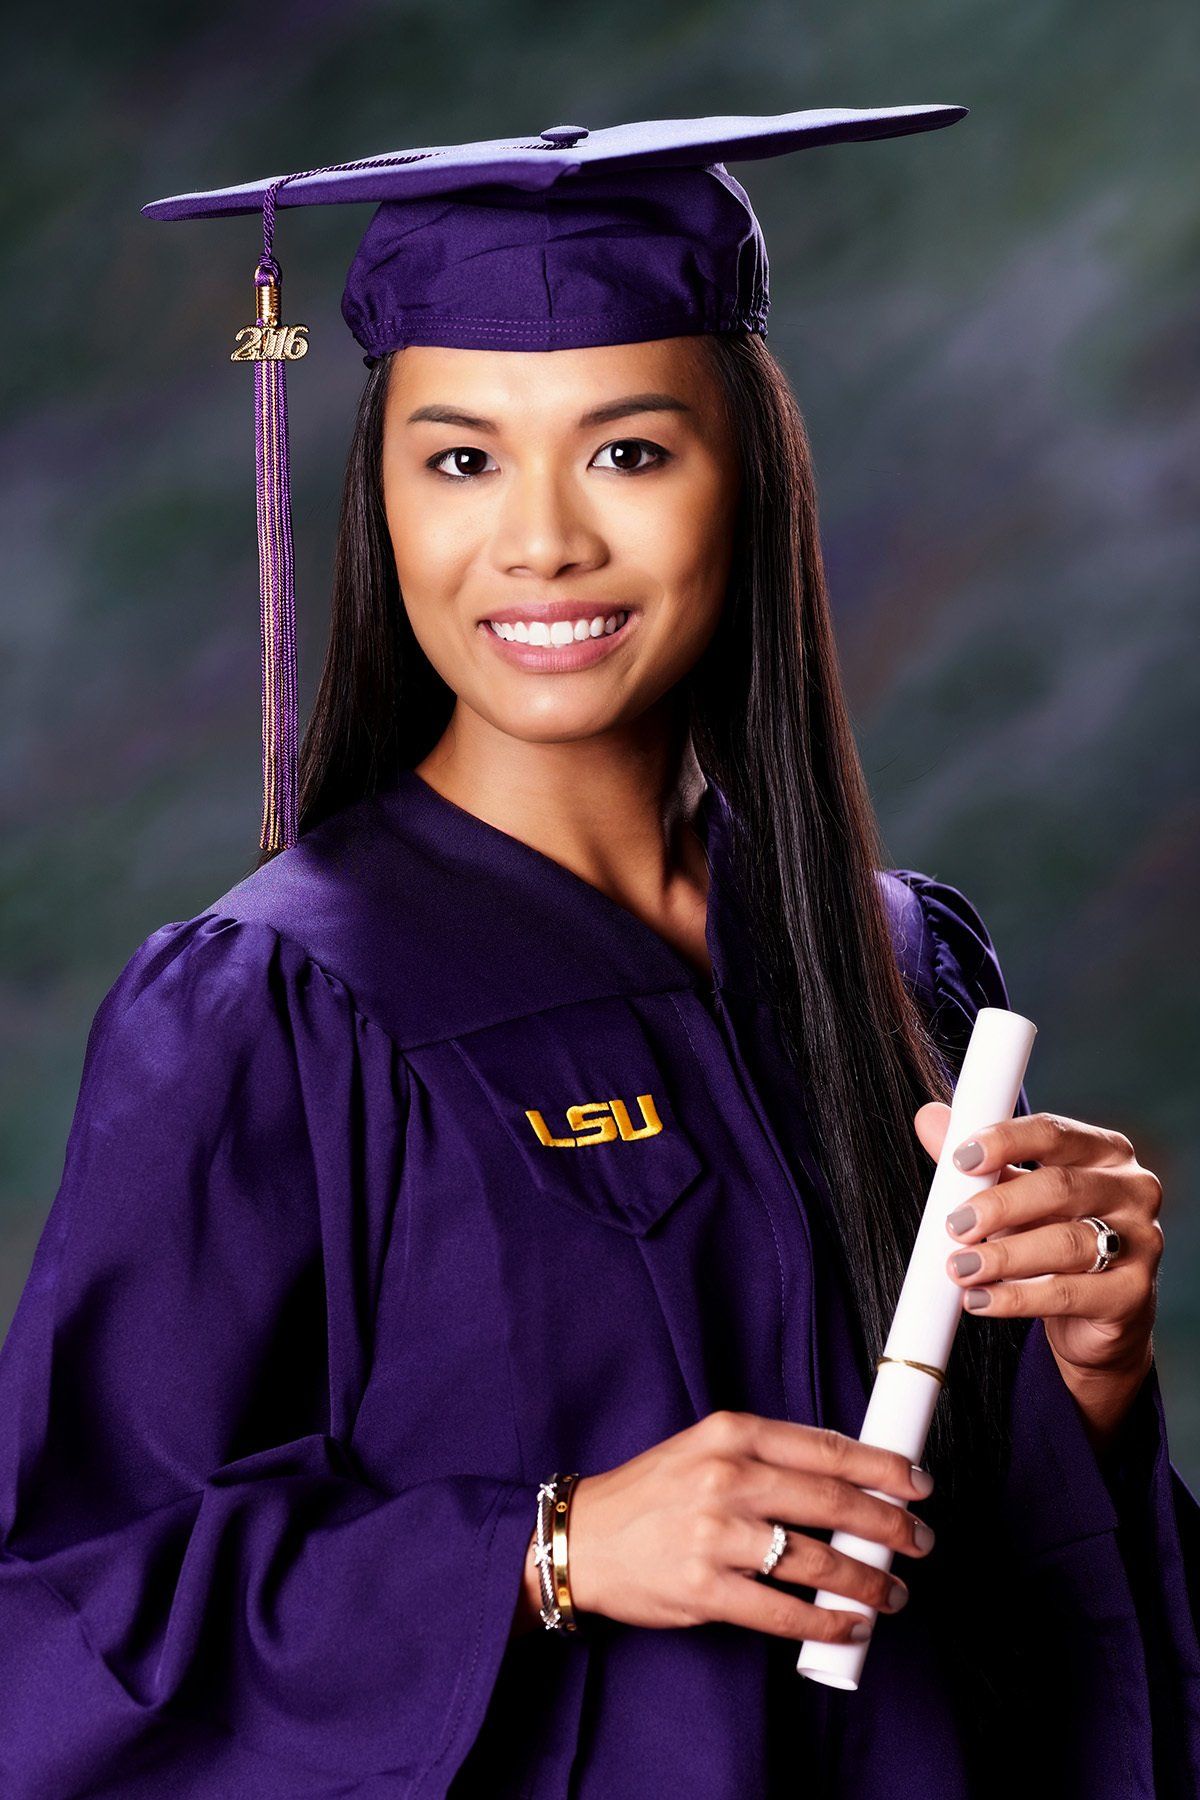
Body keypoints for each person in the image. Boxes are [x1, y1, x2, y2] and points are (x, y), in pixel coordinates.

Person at [0, 108, 1196, 1799]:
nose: (543, 539)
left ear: (751, 478)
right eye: (462, 457)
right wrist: (554, 1549)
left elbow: (1009, 1600)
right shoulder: (276, 1008)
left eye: (630, 452)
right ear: (383, 499)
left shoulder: (897, 960)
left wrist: (1089, 1368)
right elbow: (56, 1625)